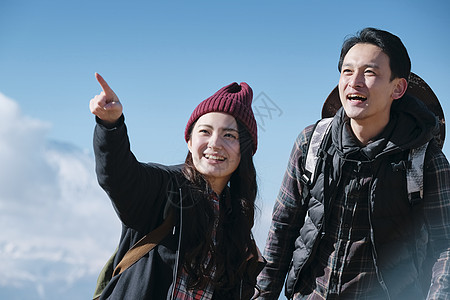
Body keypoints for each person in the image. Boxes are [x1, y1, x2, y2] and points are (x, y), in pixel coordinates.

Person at [257, 27, 450, 299]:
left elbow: (445, 245)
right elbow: (282, 227)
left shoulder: (425, 160)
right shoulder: (312, 143)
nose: (355, 82)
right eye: (347, 71)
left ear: (398, 88)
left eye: (369, 73)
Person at [90, 73, 265, 299]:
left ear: (245, 151)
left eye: (229, 135)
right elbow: (119, 176)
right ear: (190, 142)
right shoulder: (164, 187)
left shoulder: (236, 220)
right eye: (205, 131)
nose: (214, 144)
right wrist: (110, 125)